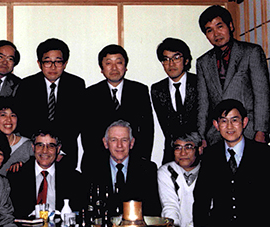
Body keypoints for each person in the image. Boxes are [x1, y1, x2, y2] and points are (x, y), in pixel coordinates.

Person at [193, 99, 270, 227]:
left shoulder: (265, 154)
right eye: (224, 121)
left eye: (234, 120)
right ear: (216, 125)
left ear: (244, 122)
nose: (229, 126)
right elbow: (201, 200)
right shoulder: (210, 155)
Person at [196, 5, 270, 147]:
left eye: (219, 26)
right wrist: (202, 136)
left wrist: (261, 131)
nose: (216, 34)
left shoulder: (251, 52)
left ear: (230, 26)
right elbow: (203, 103)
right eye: (209, 30)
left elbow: (262, 94)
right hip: (217, 133)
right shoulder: (203, 62)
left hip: (249, 130)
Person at [14, 38, 85, 170]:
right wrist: (40, 149)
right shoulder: (27, 86)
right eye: (47, 62)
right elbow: (23, 122)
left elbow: (77, 122)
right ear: (39, 63)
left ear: (65, 63)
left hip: (65, 153)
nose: (53, 67)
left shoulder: (76, 85)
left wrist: (59, 150)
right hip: (34, 154)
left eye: (58, 61)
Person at [81, 44, 154, 172]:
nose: (114, 68)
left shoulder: (139, 91)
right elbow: (87, 135)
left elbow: (147, 130)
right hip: (99, 161)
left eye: (119, 62)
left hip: (133, 159)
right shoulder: (90, 94)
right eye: (108, 63)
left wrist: (140, 159)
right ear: (101, 68)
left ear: (125, 67)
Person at [83, 120, 161, 217]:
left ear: (131, 143)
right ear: (105, 143)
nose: (119, 145)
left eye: (124, 140)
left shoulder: (147, 170)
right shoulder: (92, 170)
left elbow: (153, 210)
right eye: (114, 140)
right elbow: (88, 209)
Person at [7, 129, 83, 219]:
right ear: (33, 147)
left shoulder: (73, 178)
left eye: (51, 146)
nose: (44, 151)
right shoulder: (17, 175)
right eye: (40, 145)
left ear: (58, 149)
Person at [151, 38, 198, 164]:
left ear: (186, 60)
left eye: (176, 58)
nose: (171, 64)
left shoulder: (199, 83)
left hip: (199, 151)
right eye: (166, 59)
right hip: (172, 153)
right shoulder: (157, 89)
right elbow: (166, 128)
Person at [157, 132, 202, 227]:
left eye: (188, 147)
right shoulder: (167, 171)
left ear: (200, 149)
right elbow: (169, 206)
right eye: (178, 148)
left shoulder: (210, 170)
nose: (183, 153)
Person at [0, 96, 33, 176]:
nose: (9, 120)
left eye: (13, 115)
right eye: (3, 115)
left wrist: (24, 168)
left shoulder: (28, 146)